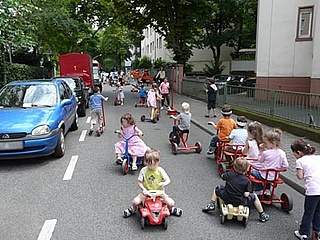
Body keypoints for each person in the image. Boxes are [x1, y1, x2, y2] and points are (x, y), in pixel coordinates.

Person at [202, 157, 270, 223]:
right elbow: (246, 194)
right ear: (246, 169)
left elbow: (223, 176)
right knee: (254, 196)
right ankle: (262, 214)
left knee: (217, 188)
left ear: (234, 167)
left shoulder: (229, 175)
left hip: (227, 196)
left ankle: (211, 204)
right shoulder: (247, 180)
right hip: (240, 200)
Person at [123, 148, 183, 217]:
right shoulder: (144, 170)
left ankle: (170, 209)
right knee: (135, 201)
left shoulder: (160, 170)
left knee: (171, 202)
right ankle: (133, 209)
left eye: (154, 164)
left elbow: (168, 180)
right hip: (147, 192)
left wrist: (163, 183)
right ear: (146, 162)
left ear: (158, 161)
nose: (152, 167)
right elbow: (139, 182)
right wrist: (143, 189)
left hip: (159, 193)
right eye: (149, 164)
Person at [291, 139, 320, 240]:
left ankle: (303, 233)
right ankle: (317, 232)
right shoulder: (318, 157)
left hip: (313, 191)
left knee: (309, 212)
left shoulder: (300, 161)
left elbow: (300, 176)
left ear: (298, 152)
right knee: (318, 211)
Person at [250, 128, 289, 194]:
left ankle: (258, 189)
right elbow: (286, 165)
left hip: (263, 175)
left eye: (266, 143)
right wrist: (278, 169)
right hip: (275, 176)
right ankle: (267, 190)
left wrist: (261, 150)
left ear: (273, 143)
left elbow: (260, 160)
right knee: (267, 176)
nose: (265, 144)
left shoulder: (266, 153)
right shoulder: (282, 152)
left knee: (252, 171)